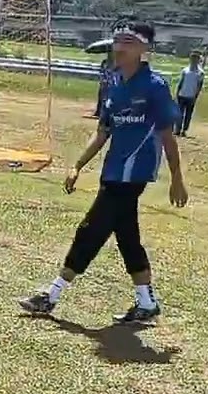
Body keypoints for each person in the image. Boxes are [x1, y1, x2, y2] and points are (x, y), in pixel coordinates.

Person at [19, 20, 189, 324]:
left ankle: (51, 296)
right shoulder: (114, 84)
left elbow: (167, 136)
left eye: (128, 42)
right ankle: (146, 302)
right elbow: (102, 132)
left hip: (133, 175)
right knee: (127, 236)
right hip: (112, 171)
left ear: (144, 49)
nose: (119, 48)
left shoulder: (155, 86)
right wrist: (77, 165)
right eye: (117, 41)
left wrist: (177, 179)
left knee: (90, 231)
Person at [175, 51, 205, 136]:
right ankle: (177, 129)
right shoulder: (185, 70)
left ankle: (184, 130)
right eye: (192, 59)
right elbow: (181, 82)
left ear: (198, 60)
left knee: (188, 114)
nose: (193, 61)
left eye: (195, 59)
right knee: (179, 113)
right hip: (182, 95)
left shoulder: (200, 73)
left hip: (191, 96)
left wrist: (196, 95)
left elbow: (199, 85)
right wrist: (177, 92)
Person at [89, 51, 114, 118]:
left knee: (108, 99)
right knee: (101, 97)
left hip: (111, 83)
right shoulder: (104, 62)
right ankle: (99, 111)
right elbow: (101, 71)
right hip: (104, 82)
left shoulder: (116, 63)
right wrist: (102, 79)